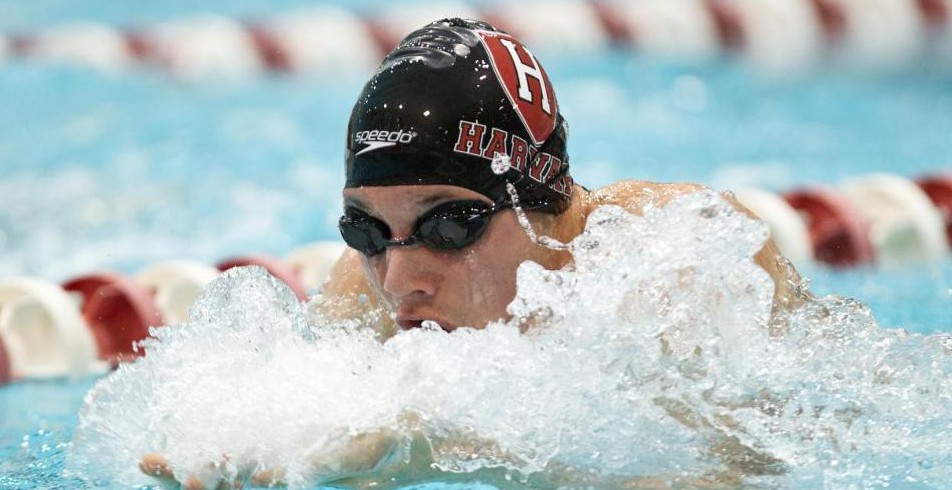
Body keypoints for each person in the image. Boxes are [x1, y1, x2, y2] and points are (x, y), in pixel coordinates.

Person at [141, 17, 806, 488]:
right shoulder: (361, 289)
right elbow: (343, 444)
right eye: (367, 232)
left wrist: (431, 448)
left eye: (448, 227)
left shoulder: (670, 254)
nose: (398, 281)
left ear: (538, 201)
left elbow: (736, 469)